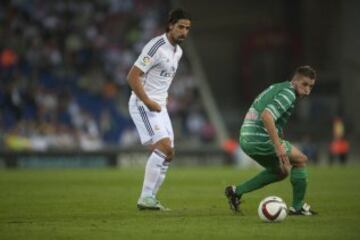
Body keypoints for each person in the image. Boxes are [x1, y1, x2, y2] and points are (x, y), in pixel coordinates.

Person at [225, 66, 318, 216]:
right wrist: (278, 146)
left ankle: (236, 191)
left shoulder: (278, 87)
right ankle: (298, 207)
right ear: (295, 81)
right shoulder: (289, 93)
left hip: (246, 138)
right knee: (301, 160)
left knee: (280, 172)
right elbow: (267, 116)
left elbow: (270, 116)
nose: (307, 90)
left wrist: (279, 138)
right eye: (304, 84)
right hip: (259, 137)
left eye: (311, 86)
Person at [127, 9, 191, 211]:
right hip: (142, 104)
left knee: (169, 153)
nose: (184, 32)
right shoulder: (156, 46)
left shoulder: (178, 52)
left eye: (187, 28)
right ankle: (145, 197)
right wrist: (147, 100)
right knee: (164, 148)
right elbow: (132, 76)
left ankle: (151, 198)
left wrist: (162, 98)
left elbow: (161, 78)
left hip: (159, 106)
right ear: (170, 25)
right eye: (180, 27)